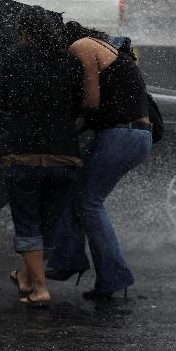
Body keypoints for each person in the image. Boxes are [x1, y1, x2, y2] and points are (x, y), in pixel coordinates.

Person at [46, 21, 153, 300]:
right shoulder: (107, 48)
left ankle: (114, 276)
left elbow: (91, 102)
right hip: (128, 135)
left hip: (123, 135)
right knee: (75, 195)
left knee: (89, 203)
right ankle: (67, 261)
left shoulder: (80, 47)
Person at [0, 7, 83, 307]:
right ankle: (26, 277)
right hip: (65, 157)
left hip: (24, 155)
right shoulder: (71, 62)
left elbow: (4, 101)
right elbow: (78, 105)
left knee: (28, 224)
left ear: (26, 34)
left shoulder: (12, 59)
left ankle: (41, 288)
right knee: (49, 225)